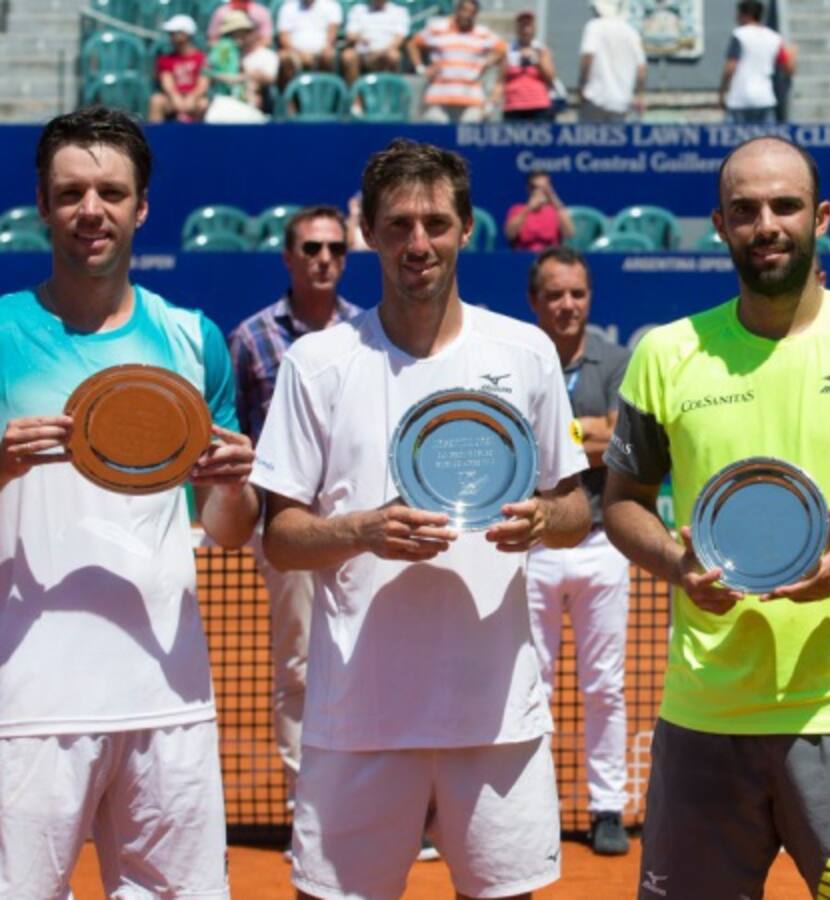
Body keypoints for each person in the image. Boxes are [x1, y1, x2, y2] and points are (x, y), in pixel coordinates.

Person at [602, 135, 830, 899]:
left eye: (785, 206)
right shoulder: (665, 354)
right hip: (705, 714)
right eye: (745, 210)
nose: (766, 223)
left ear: (820, 216)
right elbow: (622, 504)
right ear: (719, 224)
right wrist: (677, 565)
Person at [250, 139, 591, 900]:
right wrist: (361, 530)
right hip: (356, 720)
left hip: (497, 717)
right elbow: (280, 534)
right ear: (367, 231)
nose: (418, 243)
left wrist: (542, 520)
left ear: (467, 228)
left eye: (436, 222)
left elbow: (575, 507)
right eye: (398, 224)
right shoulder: (319, 363)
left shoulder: (526, 351)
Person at [0, 106, 258, 898]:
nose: (91, 210)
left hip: (167, 697)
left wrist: (234, 484)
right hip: (27, 701)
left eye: (111, 192)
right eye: (71, 191)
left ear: (141, 206)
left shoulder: (192, 339)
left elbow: (227, 530)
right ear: (41, 205)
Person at [227, 206, 362, 824]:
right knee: (301, 663)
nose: (324, 259)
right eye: (311, 248)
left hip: (362, 532)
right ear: (288, 257)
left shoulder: (368, 332)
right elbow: (235, 434)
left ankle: (374, 801)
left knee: (369, 654)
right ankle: (309, 805)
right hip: (285, 530)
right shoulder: (251, 337)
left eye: (335, 249)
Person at [525, 247, 632, 857]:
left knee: (604, 685)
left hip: (601, 544)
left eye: (577, 294)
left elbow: (618, 440)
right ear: (535, 301)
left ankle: (606, 807)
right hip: (532, 549)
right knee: (529, 685)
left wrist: (554, 435)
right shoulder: (519, 359)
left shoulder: (616, 360)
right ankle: (534, 807)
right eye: (555, 295)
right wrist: (584, 431)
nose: (568, 305)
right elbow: (516, 436)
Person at [407, 0, 506, 124]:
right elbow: (413, 44)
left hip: (471, 99)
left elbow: (502, 48)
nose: (467, 15)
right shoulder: (438, 28)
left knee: (468, 138)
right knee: (435, 139)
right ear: (457, 11)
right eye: (465, 10)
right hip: (439, 97)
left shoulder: (482, 33)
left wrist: (487, 61)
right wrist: (421, 68)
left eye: (472, 12)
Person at [720, 0, 794, 125]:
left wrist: (722, 92)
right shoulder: (774, 37)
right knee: (765, 141)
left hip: (740, 98)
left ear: (745, 15)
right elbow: (788, 68)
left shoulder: (739, 35)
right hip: (765, 98)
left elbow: (730, 67)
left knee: (736, 143)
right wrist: (793, 54)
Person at [579, 0, 647, 123]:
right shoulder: (631, 32)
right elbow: (641, 67)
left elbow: (588, 56)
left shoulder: (594, 26)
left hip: (595, 97)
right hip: (622, 101)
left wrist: (582, 86)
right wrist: (639, 95)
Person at [495, 9, 557, 121]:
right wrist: (491, 103)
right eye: (522, 26)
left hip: (539, 106)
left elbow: (551, 79)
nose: (525, 30)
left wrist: (536, 61)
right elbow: (500, 81)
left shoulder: (541, 49)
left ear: (534, 28)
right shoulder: (508, 50)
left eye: (528, 26)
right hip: (513, 106)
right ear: (517, 28)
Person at [148, 14, 210, 123]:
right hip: (173, 99)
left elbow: (203, 82)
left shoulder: (201, 58)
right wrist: (175, 97)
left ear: (186, 34)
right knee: (156, 101)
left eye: (174, 33)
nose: (171, 36)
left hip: (194, 99)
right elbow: (167, 81)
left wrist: (192, 97)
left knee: (204, 104)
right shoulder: (166, 59)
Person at [341, 0, 411, 87]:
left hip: (385, 52)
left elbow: (399, 38)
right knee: (348, 56)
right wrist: (360, 39)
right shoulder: (358, 10)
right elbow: (350, 35)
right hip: (362, 53)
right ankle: (355, 94)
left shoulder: (400, 11)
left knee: (394, 56)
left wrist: (383, 51)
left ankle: (390, 92)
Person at [276, 0, 342, 89]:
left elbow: (332, 35)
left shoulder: (331, 6)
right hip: (295, 53)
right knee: (284, 58)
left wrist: (319, 52)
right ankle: (290, 98)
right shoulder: (288, 7)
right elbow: (283, 37)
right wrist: (300, 54)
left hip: (321, 52)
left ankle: (325, 92)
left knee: (328, 56)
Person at [505, 170, 575, 252]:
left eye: (545, 187)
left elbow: (569, 233)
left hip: (551, 256)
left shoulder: (556, 210)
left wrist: (554, 199)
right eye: (535, 187)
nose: (540, 191)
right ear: (528, 188)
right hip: (524, 257)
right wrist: (528, 209)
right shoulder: (517, 209)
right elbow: (510, 235)